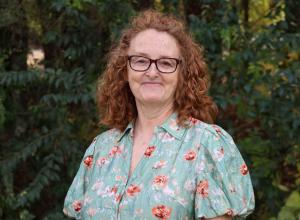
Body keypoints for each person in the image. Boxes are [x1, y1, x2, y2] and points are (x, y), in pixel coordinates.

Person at [63, 10, 255, 220]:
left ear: (183, 74)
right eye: (140, 60)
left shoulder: (207, 145)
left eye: (165, 63)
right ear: (124, 70)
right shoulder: (100, 148)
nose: (152, 72)